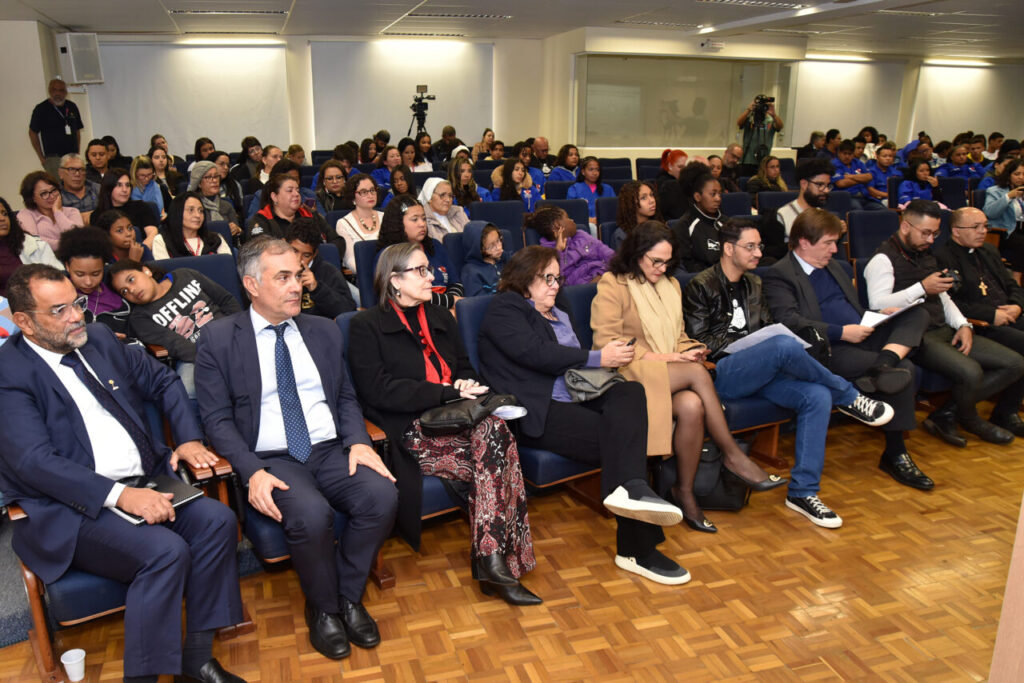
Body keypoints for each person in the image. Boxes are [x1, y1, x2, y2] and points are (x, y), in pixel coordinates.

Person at [0, 265, 245, 683]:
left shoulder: (96, 339)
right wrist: (121, 496)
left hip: (144, 480)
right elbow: (34, 462)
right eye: (59, 310)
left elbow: (165, 382)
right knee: (166, 552)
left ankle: (196, 659)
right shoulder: (9, 372)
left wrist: (188, 439)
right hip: (73, 508)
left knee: (218, 521)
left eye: (77, 303)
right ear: (23, 321)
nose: (76, 316)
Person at [195, 237, 398, 660]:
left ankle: (347, 597)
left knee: (382, 496)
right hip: (272, 459)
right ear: (251, 285)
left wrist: (359, 442)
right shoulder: (218, 338)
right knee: (310, 513)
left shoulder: (323, 329)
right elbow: (216, 420)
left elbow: (344, 397)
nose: (296, 286)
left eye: (298, 275)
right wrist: (251, 470)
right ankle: (323, 609)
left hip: (330, 448)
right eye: (283, 277)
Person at [478, 246, 690, 585]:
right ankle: (637, 547)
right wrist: (598, 357)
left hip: (578, 395)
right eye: (546, 278)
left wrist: (602, 360)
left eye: (557, 278)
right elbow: (537, 353)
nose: (555, 285)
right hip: (540, 410)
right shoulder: (505, 308)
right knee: (623, 441)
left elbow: (572, 360)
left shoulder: (558, 307)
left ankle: (632, 490)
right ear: (524, 279)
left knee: (630, 392)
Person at [348, 242, 539, 605]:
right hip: (411, 429)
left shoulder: (440, 317)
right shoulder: (366, 325)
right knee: (499, 450)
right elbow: (378, 391)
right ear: (394, 280)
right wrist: (445, 392)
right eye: (420, 270)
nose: (431, 276)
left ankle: (492, 563)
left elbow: (464, 367)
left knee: (494, 432)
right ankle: (496, 566)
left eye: (429, 268)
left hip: (461, 420)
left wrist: (465, 383)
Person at [679, 219, 894, 527]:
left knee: (817, 396)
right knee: (782, 345)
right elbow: (701, 342)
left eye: (759, 246)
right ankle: (848, 396)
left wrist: (764, 345)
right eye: (750, 247)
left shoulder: (754, 283)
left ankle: (803, 492)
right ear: (728, 249)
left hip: (762, 370)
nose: (758, 253)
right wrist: (753, 345)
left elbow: (768, 327)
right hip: (722, 374)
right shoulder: (701, 285)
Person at [762, 208, 936, 490]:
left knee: (917, 313)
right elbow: (790, 322)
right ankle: (896, 453)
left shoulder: (834, 266)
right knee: (904, 368)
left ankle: (882, 364)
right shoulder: (780, 274)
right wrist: (841, 332)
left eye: (836, 242)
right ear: (804, 242)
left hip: (863, 332)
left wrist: (878, 314)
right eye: (828, 243)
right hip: (829, 348)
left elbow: (851, 307)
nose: (835, 249)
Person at [863, 199, 1024, 447]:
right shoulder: (882, 259)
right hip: (915, 336)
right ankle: (969, 419)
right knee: (971, 371)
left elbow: (944, 297)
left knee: (1015, 363)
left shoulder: (925, 254)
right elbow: (877, 304)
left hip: (944, 328)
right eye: (925, 233)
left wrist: (963, 325)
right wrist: (921, 288)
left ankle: (946, 414)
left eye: (935, 234)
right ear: (905, 227)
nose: (931, 240)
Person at [935, 207, 1024, 435]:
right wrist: (991, 315)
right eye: (976, 227)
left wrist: (1017, 305)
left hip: (1009, 314)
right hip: (979, 325)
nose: (983, 231)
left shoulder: (989, 250)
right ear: (956, 231)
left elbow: (1012, 285)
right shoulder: (943, 257)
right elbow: (951, 303)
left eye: (985, 226)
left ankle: (1004, 410)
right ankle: (1005, 412)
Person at [376, 194, 463, 309]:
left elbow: (456, 283)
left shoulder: (434, 245)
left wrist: (452, 305)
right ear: (397, 223)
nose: (422, 224)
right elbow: (403, 296)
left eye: (424, 218)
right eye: (415, 219)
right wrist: (450, 302)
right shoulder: (389, 255)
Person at [55, 227, 131, 335]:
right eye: (80, 274)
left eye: (96, 274)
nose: (88, 282)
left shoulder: (118, 301)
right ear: (67, 266)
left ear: (104, 266)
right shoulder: (56, 298)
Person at [286, 217, 356, 318]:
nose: (298, 259)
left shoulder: (329, 272)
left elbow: (348, 312)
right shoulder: (272, 269)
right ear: (284, 244)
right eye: (294, 251)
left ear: (314, 254)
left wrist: (317, 288)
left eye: (306, 255)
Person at [531, 206, 613, 285]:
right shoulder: (547, 252)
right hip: (582, 286)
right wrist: (558, 251)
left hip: (603, 273)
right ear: (557, 225)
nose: (572, 220)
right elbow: (556, 280)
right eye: (568, 218)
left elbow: (607, 253)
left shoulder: (581, 235)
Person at [0, 196, 61, 296]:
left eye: (5, 214)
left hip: (37, 300)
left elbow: (58, 276)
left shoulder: (32, 244)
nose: (2, 218)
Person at [246, 174, 328, 243]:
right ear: (274, 197)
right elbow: (260, 250)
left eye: (298, 190)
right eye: (290, 191)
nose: (296, 194)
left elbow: (333, 239)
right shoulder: (261, 220)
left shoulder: (310, 215)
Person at [152, 192, 232, 260]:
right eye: (191, 210)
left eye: (200, 211)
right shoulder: (162, 241)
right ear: (177, 213)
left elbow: (228, 267)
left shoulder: (216, 239)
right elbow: (164, 271)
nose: (198, 215)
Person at [29, 79, 83, 178]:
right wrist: (41, 158)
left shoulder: (72, 107)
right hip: (53, 158)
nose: (57, 93)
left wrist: (78, 152)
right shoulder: (41, 109)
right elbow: (32, 132)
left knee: (74, 182)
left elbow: (77, 130)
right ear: (49, 91)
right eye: (54, 90)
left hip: (72, 156)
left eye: (61, 90)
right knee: (58, 185)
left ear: (66, 92)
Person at [17, 171, 83, 251]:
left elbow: (79, 237)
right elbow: (34, 242)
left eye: (54, 190)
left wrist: (57, 212)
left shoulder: (72, 211)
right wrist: (67, 244)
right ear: (32, 198)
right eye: (44, 193)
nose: (52, 196)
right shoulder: (25, 214)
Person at [94, 169, 161, 247]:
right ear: (108, 188)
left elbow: (152, 233)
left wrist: (141, 250)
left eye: (127, 185)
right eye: (119, 185)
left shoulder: (141, 207)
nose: (125, 190)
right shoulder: (97, 215)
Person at [674, 173, 723, 273]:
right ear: (697, 197)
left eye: (719, 194)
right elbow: (685, 263)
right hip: (702, 278)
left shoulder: (726, 222)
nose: (718, 199)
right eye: (713, 194)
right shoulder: (684, 226)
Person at [983, 159, 1024, 275]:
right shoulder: (995, 191)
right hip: (1005, 231)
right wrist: (1008, 197)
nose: (1021, 177)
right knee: (1022, 243)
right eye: (1017, 174)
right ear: (1008, 175)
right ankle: (1017, 277)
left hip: (1022, 228)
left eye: (1023, 174)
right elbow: (989, 212)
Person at [335, 174, 382, 273]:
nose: (370, 195)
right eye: (363, 192)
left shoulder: (386, 217)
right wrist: (370, 272)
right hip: (363, 274)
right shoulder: (343, 224)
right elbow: (349, 259)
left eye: (372, 190)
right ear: (352, 197)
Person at [776, 159, 834, 238]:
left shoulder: (823, 215)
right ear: (804, 184)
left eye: (828, 185)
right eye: (820, 185)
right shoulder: (782, 215)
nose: (826, 190)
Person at [187, 161, 242, 243]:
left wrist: (237, 230)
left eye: (216, 176)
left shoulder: (226, 205)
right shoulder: (192, 207)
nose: (215, 180)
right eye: (209, 177)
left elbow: (240, 234)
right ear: (199, 183)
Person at [736, 96, 783, 175]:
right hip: (747, 160)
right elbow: (739, 123)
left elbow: (780, 126)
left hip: (764, 161)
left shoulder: (770, 121)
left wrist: (774, 115)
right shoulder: (751, 119)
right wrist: (749, 110)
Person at [832, 140, 881, 212]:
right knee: (859, 212)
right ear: (839, 153)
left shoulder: (857, 162)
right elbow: (840, 183)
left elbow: (869, 177)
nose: (847, 156)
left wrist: (849, 176)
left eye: (850, 154)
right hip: (847, 198)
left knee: (883, 210)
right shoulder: (834, 164)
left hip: (864, 196)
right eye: (844, 153)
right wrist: (861, 179)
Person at [461, 222, 508, 297]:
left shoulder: (502, 259)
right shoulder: (471, 272)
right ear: (478, 249)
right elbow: (478, 301)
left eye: (499, 240)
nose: (499, 247)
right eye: (492, 246)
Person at [613, 180, 660, 249]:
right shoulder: (622, 235)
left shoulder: (660, 227)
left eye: (651, 195)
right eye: (643, 198)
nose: (652, 200)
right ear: (631, 204)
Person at [567, 157, 614, 222]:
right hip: (584, 223)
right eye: (591, 169)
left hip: (604, 223)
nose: (595, 173)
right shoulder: (574, 189)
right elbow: (571, 212)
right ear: (583, 172)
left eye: (597, 170)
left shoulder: (608, 189)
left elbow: (613, 210)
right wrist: (588, 220)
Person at [58, 153, 101, 223]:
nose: (77, 174)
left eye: (81, 170)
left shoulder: (98, 189)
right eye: (71, 169)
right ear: (61, 173)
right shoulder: (55, 195)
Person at [865, 142, 903, 208]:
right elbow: (871, 190)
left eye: (890, 156)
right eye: (884, 156)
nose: (888, 159)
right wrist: (889, 195)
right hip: (875, 201)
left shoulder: (897, 173)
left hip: (895, 200)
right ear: (877, 157)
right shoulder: (870, 172)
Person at [656, 149, 689, 220]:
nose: (684, 170)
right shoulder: (665, 184)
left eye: (686, 167)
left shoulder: (686, 181)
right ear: (670, 166)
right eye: (680, 167)